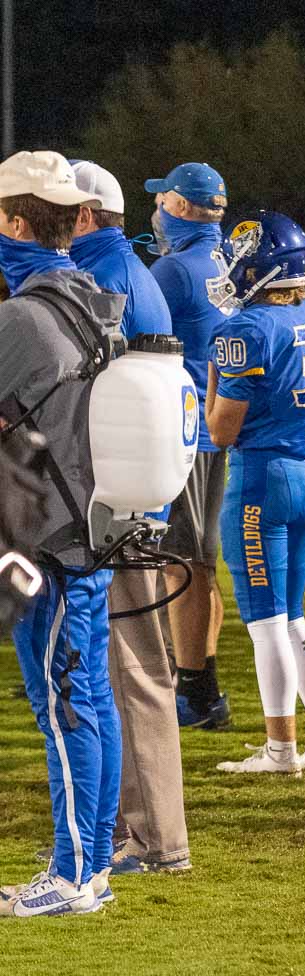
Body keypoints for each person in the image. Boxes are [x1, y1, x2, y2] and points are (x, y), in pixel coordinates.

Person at [0, 150, 123, 915]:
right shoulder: (90, 294)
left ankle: (74, 875)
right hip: (91, 522)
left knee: (64, 704)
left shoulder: (21, 316)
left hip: (46, 536)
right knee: (89, 698)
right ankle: (92, 865)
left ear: (16, 222)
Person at [67, 158, 192, 874]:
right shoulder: (125, 267)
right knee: (117, 669)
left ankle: (156, 839)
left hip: (117, 501)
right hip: (132, 491)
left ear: (83, 215)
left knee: (133, 670)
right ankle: (123, 830)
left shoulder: (101, 277)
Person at [206, 210, 305, 775]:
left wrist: (211, 375)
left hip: (261, 477)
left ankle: (281, 750)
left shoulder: (244, 331)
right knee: (291, 619)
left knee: (267, 622)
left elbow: (221, 431)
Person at [145, 161, 233, 729]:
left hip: (189, 429)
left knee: (182, 562)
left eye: (162, 201)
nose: (155, 210)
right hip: (220, 426)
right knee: (200, 560)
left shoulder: (175, 269)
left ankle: (198, 692)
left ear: (179, 206)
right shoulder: (226, 262)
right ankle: (204, 681)